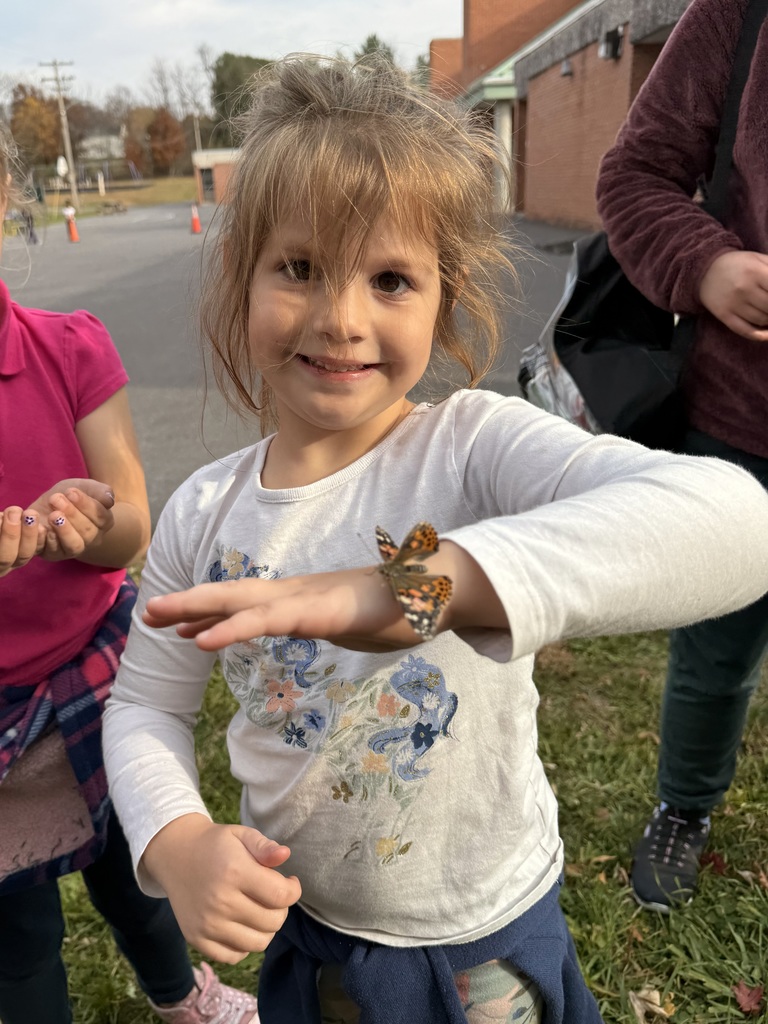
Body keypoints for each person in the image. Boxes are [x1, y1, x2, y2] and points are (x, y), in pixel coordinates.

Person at [101, 55, 768, 1024]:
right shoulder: (201, 513)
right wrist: (174, 837)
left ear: (443, 298)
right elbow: (144, 705)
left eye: (389, 277)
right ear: (241, 277)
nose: (340, 317)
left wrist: (423, 585)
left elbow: (736, 519)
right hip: (315, 934)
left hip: (486, 940)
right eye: (298, 267)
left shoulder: (472, 449)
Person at [0, 130, 260, 1024]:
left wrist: (85, 528)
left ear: (3, 190)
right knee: (16, 938)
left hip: (90, 675)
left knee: (136, 873)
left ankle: (182, 996)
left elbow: (134, 530)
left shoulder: (68, 349)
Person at [595, 0, 768, 913]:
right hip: (742, 423)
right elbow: (635, 175)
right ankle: (685, 806)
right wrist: (703, 263)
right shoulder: (736, 16)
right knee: (714, 652)